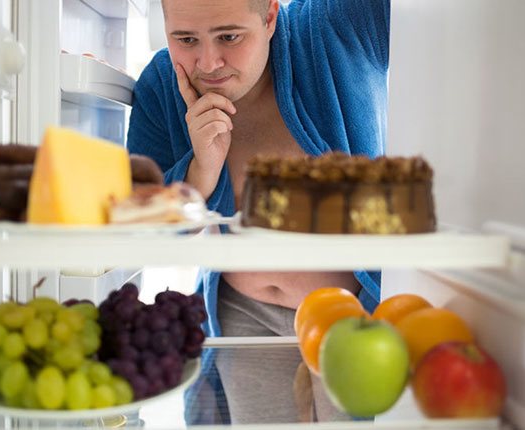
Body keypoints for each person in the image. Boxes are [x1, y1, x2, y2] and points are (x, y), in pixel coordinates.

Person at [126, 0, 389, 423]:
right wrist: (200, 171)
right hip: (243, 316)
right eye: (186, 39)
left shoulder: (335, 25)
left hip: (354, 315)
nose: (208, 63)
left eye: (229, 36)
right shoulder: (160, 84)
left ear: (269, 16)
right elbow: (144, 230)